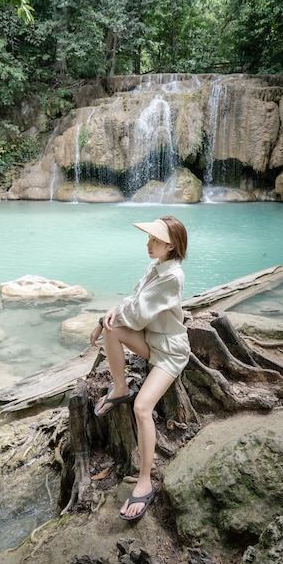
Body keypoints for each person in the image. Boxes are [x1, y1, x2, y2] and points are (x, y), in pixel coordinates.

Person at [89, 215, 190, 521]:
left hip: (170, 351)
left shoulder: (172, 276)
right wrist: (106, 316)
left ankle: (145, 481)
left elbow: (137, 314)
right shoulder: (156, 266)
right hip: (151, 340)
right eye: (149, 239)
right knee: (110, 330)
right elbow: (134, 300)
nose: (148, 244)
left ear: (171, 246)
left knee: (143, 409)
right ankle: (120, 388)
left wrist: (114, 311)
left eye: (155, 240)